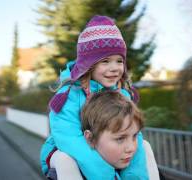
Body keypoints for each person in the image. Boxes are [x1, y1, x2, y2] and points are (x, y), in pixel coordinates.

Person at [40, 15, 148, 180]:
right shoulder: (70, 95)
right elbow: (68, 138)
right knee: (65, 161)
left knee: (144, 146)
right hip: (68, 150)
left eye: (119, 61)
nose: (114, 68)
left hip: (104, 148)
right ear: (88, 64)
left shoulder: (122, 94)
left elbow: (133, 135)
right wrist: (106, 175)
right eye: (105, 61)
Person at [81, 91, 160, 180]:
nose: (132, 148)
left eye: (135, 136)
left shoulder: (147, 168)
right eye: (120, 139)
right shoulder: (73, 174)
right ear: (91, 139)